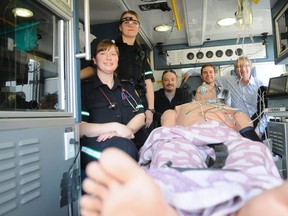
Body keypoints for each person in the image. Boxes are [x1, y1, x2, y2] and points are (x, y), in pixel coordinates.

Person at [80, 148, 287, 216]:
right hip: (183, 139)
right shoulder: (183, 107)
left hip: (228, 134)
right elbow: (168, 126)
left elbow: (245, 129)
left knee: (250, 154)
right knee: (175, 155)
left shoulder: (228, 109)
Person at [81, 10, 155, 130]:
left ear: (138, 27)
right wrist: (71, 78)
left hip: (138, 102)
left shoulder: (141, 52)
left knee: (142, 141)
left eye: (134, 22)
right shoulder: (112, 48)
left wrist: (151, 108)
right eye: (126, 21)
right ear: (120, 27)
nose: (130, 24)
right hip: (116, 98)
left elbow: (148, 81)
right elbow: (95, 68)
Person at [80, 39, 146, 170]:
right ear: (94, 59)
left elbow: (141, 116)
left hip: (129, 146)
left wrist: (122, 132)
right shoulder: (85, 90)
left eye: (113, 54)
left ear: (118, 59)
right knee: (123, 151)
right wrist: (114, 126)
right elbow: (80, 129)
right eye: (103, 53)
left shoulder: (127, 87)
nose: (108, 58)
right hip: (97, 147)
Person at [216, 56, 267, 137]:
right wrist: (191, 72)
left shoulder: (260, 85)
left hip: (259, 127)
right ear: (235, 70)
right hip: (240, 127)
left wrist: (259, 131)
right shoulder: (229, 81)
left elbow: (267, 111)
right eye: (239, 67)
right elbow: (209, 75)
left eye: (246, 66)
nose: (243, 69)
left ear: (250, 67)